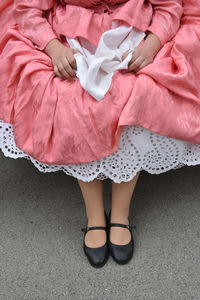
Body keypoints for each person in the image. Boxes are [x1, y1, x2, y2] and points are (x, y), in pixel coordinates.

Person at [0, 0, 200, 268]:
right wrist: (54, 48)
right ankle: (95, 216)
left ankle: (120, 214)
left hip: (134, 37)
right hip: (71, 40)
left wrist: (151, 46)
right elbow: (28, 9)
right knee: (74, 106)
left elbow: (170, 5)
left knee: (139, 96)